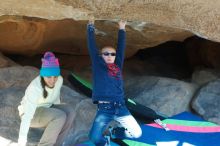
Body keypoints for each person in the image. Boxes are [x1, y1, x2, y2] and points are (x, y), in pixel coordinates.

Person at [87, 20, 142, 146]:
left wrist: (122, 28)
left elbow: (121, 48)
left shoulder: (117, 66)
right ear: (101, 56)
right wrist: (90, 26)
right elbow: (91, 46)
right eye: (106, 53)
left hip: (121, 107)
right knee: (94, 138)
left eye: (112, 54)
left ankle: (114, 132)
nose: (110, 56)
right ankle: (105, 142)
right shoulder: (98, 65)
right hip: (105, 109)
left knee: (137, 133)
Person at [17, 51, 75, 146]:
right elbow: (27, 117)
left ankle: (57, 144)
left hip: (47, 107)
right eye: (49, 76)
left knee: (70, 112)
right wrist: (21, 142)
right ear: (43, 75)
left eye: (55, 76)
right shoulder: (35, 87)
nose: (53, 80)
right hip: (31, 113)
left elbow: (55, 98)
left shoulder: (59, 80)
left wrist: (56, 115)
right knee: (59, 116)